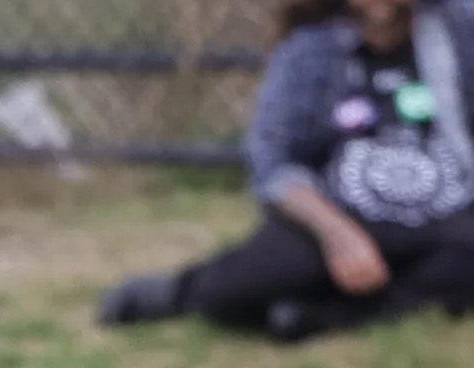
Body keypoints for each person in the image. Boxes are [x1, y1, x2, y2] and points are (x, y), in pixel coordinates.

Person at [99, 0, 474, 339]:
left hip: (447, 219)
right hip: (342, 215)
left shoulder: (460, 34)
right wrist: (340, 236)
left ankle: (331, 316)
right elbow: (274, 163)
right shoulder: (308, 51)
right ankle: (181, 291)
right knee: (250, 285)